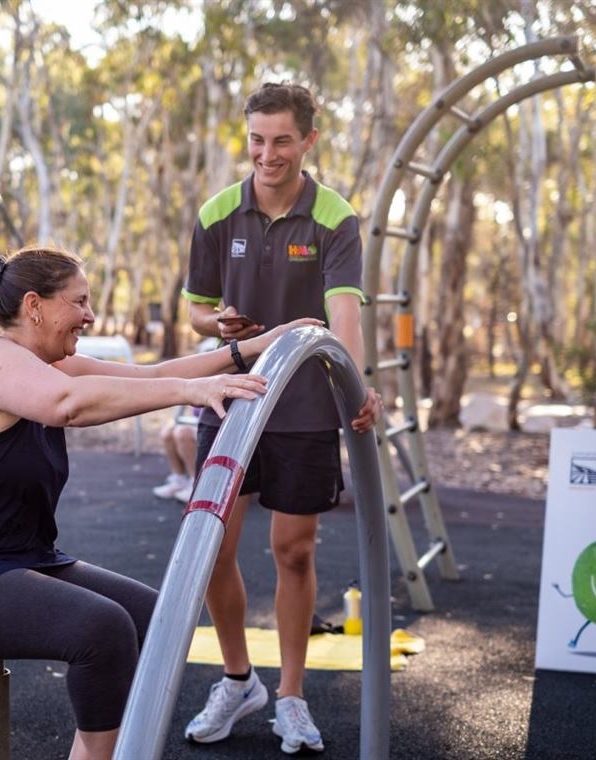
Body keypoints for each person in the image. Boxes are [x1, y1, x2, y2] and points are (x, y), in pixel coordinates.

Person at [0, 245, 319, 760]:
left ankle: (95, 753)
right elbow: (66, 407)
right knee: (103, 629)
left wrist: (255, 348)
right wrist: (192, 391)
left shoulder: (50, 363)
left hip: (18, 560)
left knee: (153, 617)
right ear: (35, 306)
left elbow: (151, 376)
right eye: (80, 301)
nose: (90, 315)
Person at [180, 82, 384, 755]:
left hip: (301, 404)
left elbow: (344, 310)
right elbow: (195, 309)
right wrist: (221, 322)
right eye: (257, 140)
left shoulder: (335, 217)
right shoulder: (215, 214)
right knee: (210, 548)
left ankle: (291, 696)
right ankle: (239, 681)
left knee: (292, 552)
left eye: (282, 141)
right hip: (232, 393)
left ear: (308, 142)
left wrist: (355, 382)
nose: (267, 154)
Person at [151, 405, 200, 503]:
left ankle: (195, 483)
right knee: (167, 433)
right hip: (196, 421)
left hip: (210, 425)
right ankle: (179, 479)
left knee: (183, 433)